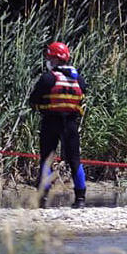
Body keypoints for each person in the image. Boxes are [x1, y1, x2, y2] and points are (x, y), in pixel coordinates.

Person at [28, 41, 87, 208]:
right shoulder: (79, 79)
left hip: (51, 122)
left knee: (47, 160)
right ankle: (80, 199)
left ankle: (43, 198)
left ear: (54, 59)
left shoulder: (48, 78)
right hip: (71, 124)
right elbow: (82, 98)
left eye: (49, 58)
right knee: (75, 160)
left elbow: (33, 100)